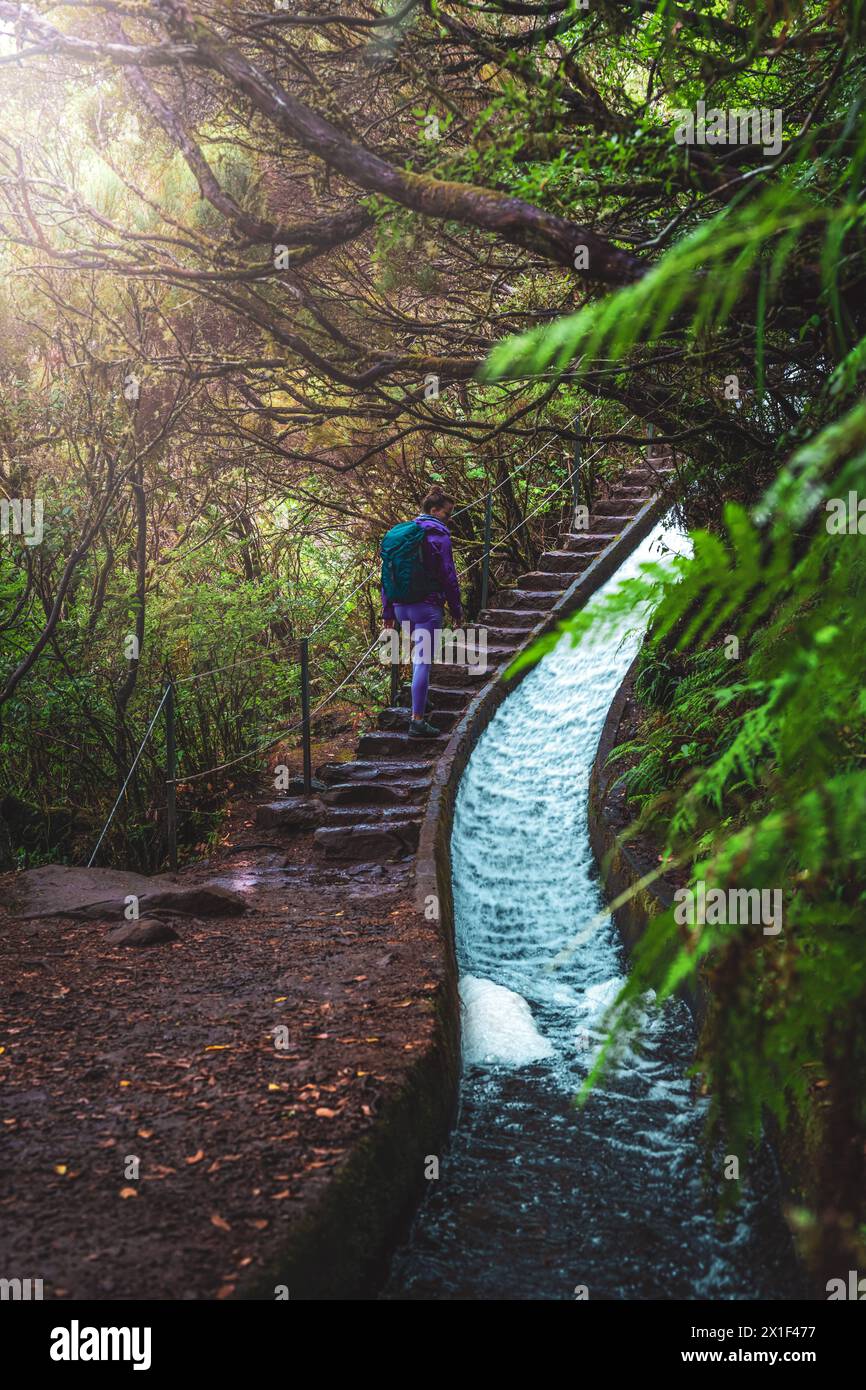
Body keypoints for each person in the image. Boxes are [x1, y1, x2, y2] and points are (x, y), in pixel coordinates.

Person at [381, 486, 463, 738]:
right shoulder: (439, 536)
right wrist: (457, 609)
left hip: (401, 607)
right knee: (422, 662)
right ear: (434, 510)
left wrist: (388, 613)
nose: (449, 518)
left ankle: (421, 699)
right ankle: (417, 721)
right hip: (426, 608)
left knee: (417, 656)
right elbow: (448, 576)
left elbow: (386, 574)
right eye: (447, 513)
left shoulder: (404, 535)